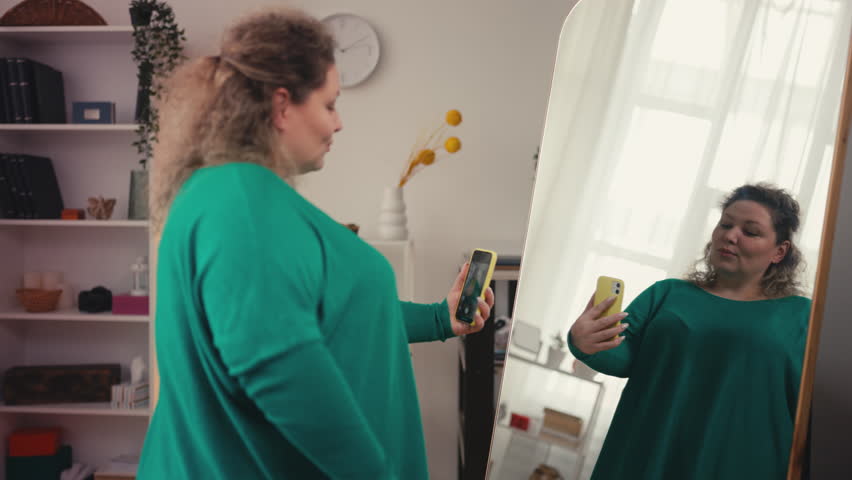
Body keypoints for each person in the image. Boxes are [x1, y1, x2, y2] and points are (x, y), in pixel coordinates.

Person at [137, 7, 494, 479]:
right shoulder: (241, 202)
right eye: (329, 104)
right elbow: (278, 368)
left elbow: (325, 311)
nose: (338, 123)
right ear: (282, 106)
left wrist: (436, 318)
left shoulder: (237, 196)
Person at [567, 183, 810, 480]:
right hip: (646, 456)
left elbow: (812, 410)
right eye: (726, 224)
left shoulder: (801, 315)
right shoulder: (667, 294)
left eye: (750, 231)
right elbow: (620, 354)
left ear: (779, 251)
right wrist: (582, 340)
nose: (730, 236)